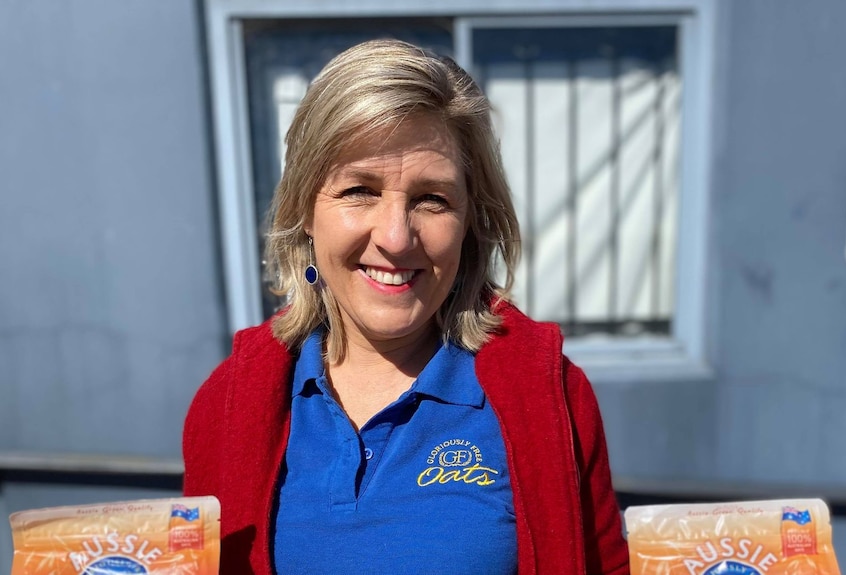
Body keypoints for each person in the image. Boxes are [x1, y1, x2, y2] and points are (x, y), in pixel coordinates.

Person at [183, 39, 630, 575]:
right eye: (359, 190)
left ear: (470, 221)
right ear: (304, 209)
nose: (396, 237)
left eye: (431, 199)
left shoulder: (547, 395)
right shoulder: (229, 403)